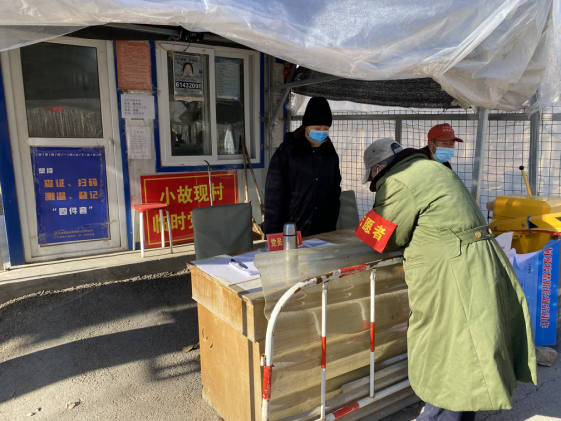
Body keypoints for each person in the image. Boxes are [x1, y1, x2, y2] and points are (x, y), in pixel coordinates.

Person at [361, 138, 537, 421]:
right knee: (467, 341)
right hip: (475, 260)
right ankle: (447, 411)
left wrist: (364, 225)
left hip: (453, 268)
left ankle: (444, 415)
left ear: (378, 168)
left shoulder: (397, 181)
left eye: (372, 177)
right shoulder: (433, 168)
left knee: (448, 343)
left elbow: (389, 237)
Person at [264, 97, 341, 237]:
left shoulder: (330, 154)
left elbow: (335, 192)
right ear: (306, 126)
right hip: (294, 231)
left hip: (324, 230)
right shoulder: (287, 152)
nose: (322, 132)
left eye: (326, 129)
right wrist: (273, 235)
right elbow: (274, 196)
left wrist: (331, 221)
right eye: (317, 128)